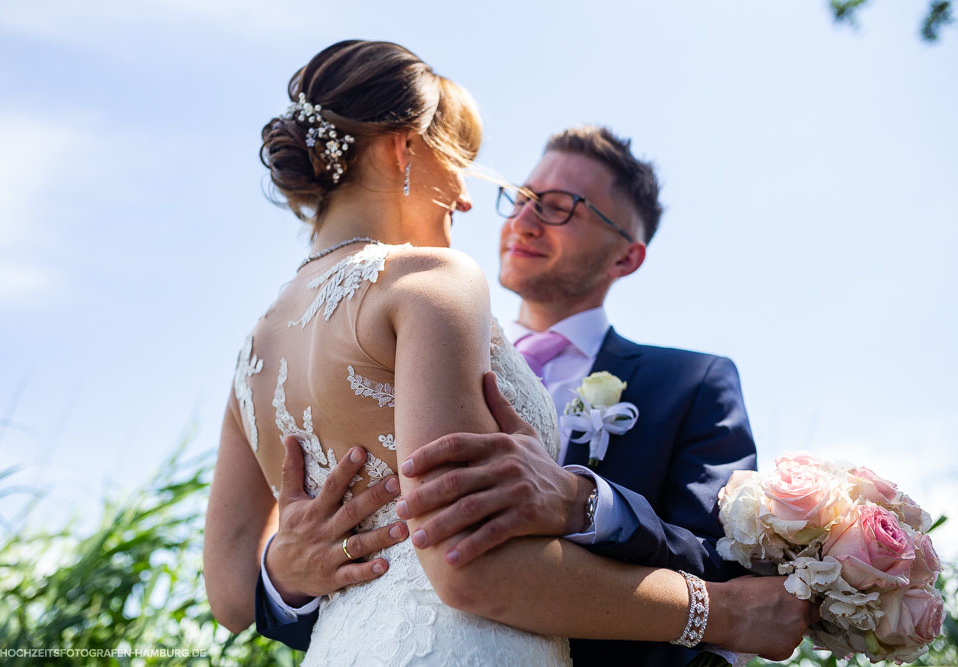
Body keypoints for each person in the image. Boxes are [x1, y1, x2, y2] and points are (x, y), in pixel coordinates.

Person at [204, 40, 815, 666]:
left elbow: (227, 595)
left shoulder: (253, 352)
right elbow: (466, 569)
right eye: (460, 166)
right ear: (403, 148)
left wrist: (581, 500)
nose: (470, 202)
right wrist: (723, 611)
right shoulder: (434, 282)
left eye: (556, 208)